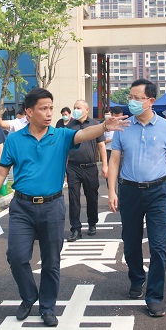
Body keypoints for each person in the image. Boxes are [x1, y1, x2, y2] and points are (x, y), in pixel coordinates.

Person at [0, 88, 128, 327]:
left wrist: (104, 126)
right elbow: (1, 172)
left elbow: (84, 134)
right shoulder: (14, 139)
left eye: (51, 108)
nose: (49, 113)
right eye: (43, 109)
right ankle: (29, 297)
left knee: (51, 261)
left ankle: (47, 307)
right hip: (22, 207)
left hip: (52, 207)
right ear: (29, 112)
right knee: (16, 256)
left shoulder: (61, 135)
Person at [107, 79, 166, 318]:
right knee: (130, 242)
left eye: (137, 98)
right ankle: (137, 278)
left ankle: (155, 296)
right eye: (130, 97)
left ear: (151, 101)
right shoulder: (123, 127)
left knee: (158, 247)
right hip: (129, 191)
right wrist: (112, 191)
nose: (132, 102)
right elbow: (114, 161)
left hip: (158, 192)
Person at [65, 100, 108, 241]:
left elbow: (101, 146)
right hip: (73, 167)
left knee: (92, 197)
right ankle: (75, 229)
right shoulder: (69, 126)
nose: (76, 110)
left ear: (87, 110)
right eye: (74, 107)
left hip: (90, 167)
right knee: (73, 198)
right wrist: (64, 168)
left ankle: (92, 223)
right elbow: (64, 149)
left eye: (79, 108)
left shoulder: (95, 125)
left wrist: (105, 165)